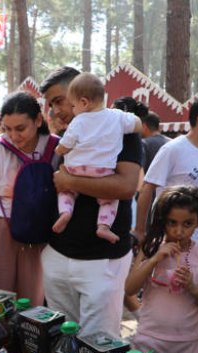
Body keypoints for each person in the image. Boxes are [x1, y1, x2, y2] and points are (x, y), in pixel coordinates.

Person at [40, 66, 143, 338]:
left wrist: (70, 182)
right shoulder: (68, 134)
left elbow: (126, 186)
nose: (57, 110)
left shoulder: (121, 131)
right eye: (51, 105)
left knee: (99, 346)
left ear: (81, 95)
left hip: (102, 260)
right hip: (58, 255)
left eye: (60, 101)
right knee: (62, 341)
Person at [134, 95, 198, 340]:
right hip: (169, 240)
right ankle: (157, 335)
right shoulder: (173, 149)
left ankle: (194, 341)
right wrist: (141, 231)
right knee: (164, 293)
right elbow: (147, 189)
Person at [0, 92, 56, 309]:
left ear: (38, 121)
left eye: (20, 128)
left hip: (37, 236)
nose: (13, 136)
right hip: (0, 231)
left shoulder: (56, 147)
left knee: (32, 307)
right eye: (7, 129)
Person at [126, 186, 198, 353]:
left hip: (189, 344)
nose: (179, 231)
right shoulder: (151, 248)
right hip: (150, 340)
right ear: (162, 221)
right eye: (172, 223)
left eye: (187, 224)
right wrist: (153, 260)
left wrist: (193, 287)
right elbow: (129, 288)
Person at [53, 73, 141, 244]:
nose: (72, 110)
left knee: (66, 191)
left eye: (73, 105)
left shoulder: (78, 122)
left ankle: (65, 212)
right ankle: (104, 226)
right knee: (109, 200)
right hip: (102, 172)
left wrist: (59, 150)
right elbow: (137, 124)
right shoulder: (117, 116)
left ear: (84, 102)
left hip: (75, 169)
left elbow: (65, 146)